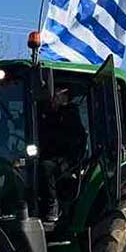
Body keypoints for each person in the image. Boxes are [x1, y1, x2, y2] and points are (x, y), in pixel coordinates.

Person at [37, 87, 88, 222]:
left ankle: (52, 204)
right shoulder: (46, 115)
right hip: (48, 156)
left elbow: (77, 141)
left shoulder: (70, 115)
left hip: (67, 160)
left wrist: (69, 160)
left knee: (46, 167)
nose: (53, 98)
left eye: (57, 95)